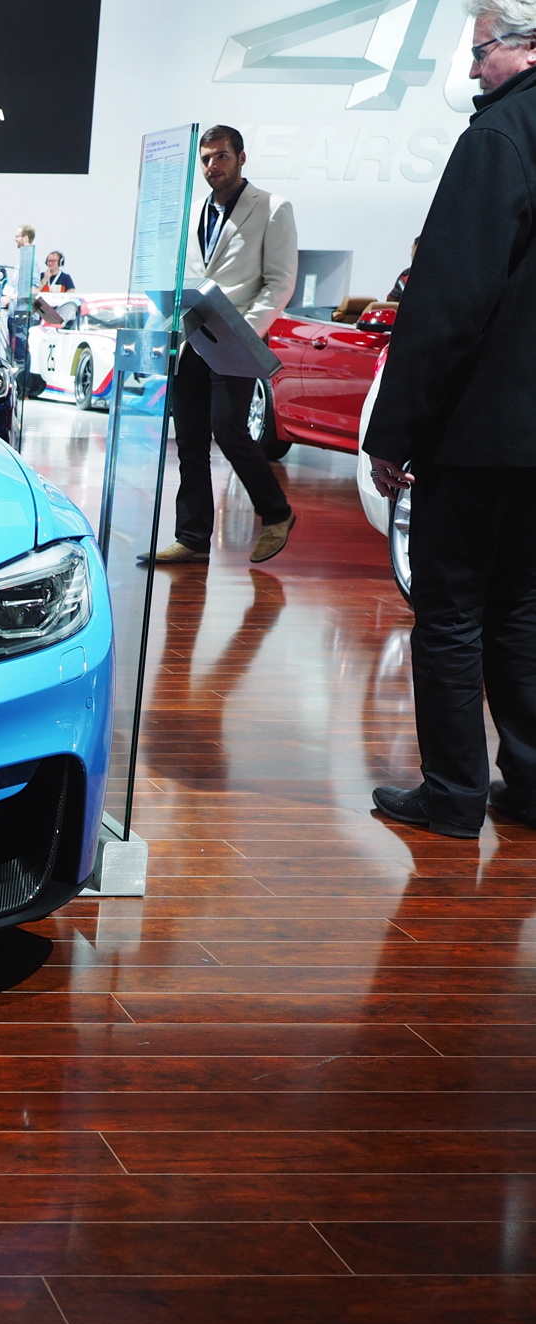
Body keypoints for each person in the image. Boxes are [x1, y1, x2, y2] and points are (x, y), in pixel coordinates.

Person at [367, 1, 536, 839]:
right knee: (523, 607)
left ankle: (454, 793)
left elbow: (449, 303)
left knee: (452, 610)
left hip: (478, 433)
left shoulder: (497, 138)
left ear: (528, 46)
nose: (471, 70)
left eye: (480, 51)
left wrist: (394, 431)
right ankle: (530, 783)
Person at [148, 124, 298, 566]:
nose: (213, 165)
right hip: (190, 337)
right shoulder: (193, 211)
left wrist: (244, 331)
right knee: (190, 442)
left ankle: (277, 513)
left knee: (229, 430)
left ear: (241, 158)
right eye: (207, 159)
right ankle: (193, 538)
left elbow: (280, 282)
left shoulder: (272, 207)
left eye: (222, 156)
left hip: (236, 339)